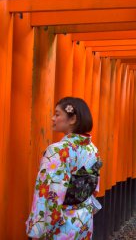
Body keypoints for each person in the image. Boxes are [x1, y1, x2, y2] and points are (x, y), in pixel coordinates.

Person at [26, 97, 102, 240]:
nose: (53, 118)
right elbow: (94, 188)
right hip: (83, 220)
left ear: (72, 119)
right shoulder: (93, 149)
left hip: (62, 224)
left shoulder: (58, 150)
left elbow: (48, 192)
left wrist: (38, 228)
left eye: (57, 114)